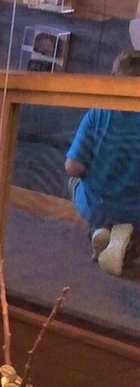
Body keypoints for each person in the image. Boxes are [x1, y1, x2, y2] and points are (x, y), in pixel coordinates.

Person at [65, 49, 140, 276]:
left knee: (72, 182)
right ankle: (126, 240)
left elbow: (73, 166)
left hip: (98, 205)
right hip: (136, 210)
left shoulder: (97, 114)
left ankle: (99, 230)